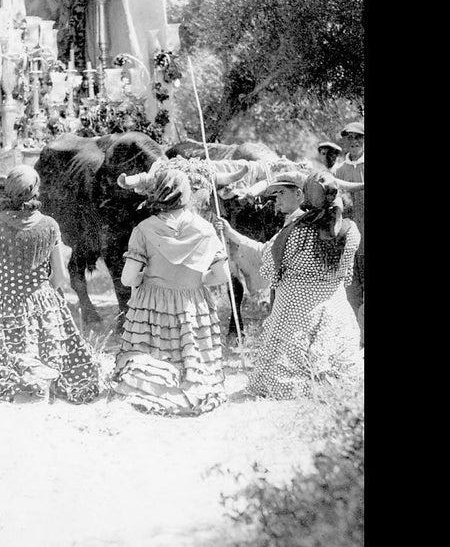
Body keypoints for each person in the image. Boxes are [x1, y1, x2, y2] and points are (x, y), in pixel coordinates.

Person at [0, 166, 102, 404]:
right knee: (55, 351)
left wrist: (6, 294)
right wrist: (43, 293)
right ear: (35, 192)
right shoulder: (49, 224)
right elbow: (60, 277)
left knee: (1, 355)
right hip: (43, 299)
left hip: (6, 299)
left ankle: (25, 381)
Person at [113, 167, 233, 416]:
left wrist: (146, 277)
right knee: (190, 355)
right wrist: (196, 280)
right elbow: (221, 276)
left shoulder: (144, 229)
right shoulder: (206, 229)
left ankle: (155, 383)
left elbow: (127, 279)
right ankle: (189, 384)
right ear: (187, 194)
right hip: (192, 303)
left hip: (153, 305)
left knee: (149, 357)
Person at [247, 171, 363, 399]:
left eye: (280, 193)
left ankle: (297, 389)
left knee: (286, 367)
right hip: (334, 305)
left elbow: (271, 266)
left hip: (294, 310)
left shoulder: (295, 232)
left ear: (306, 196)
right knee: (337, 363)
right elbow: (345, 272)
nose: (276, 198)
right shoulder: (350, 230)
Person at [333, 121, 365, 344]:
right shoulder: (338, 171)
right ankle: (357, 340)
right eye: (350, 138)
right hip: (349, 243)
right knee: (352, 293)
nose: (354, 142)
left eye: (359, 138)